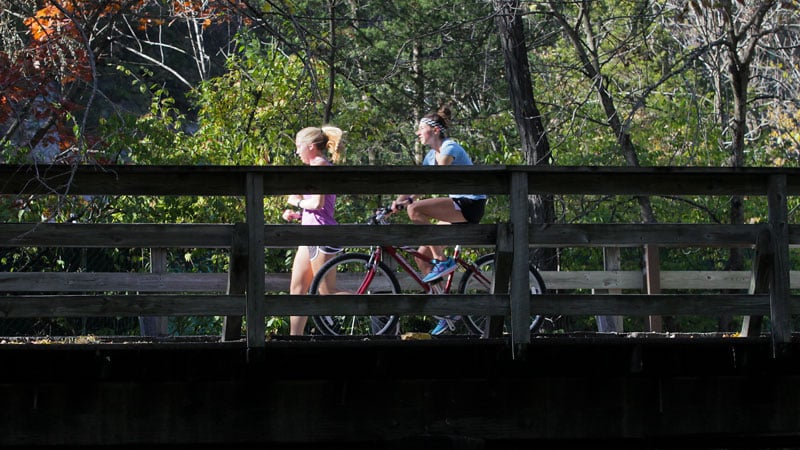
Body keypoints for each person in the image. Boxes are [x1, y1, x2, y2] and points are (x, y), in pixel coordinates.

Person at [392, 106, 487, 283]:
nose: (417, 132)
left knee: (414, 209)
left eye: (421, 128)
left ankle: (442, 261)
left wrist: (409, 201)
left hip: (470, 204)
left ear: (435, 130)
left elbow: (436, 177)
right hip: (456, 207)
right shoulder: (430, 156)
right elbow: (418, 183)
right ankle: (442, 304)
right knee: (421, 256)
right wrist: (395, 203)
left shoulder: (449, 147)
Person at [282, 125, 344, 336]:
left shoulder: (320, 166)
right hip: (308, 234)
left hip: (322, 234)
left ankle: (380, 309)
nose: (297, 151)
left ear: (310, 146)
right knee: (297, 290)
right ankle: (294, 339)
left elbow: (317, 203)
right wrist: (297, 215)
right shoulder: (311, 167)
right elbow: (316, 210)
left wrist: (297, 203)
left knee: (327, 293)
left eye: (298, 146)